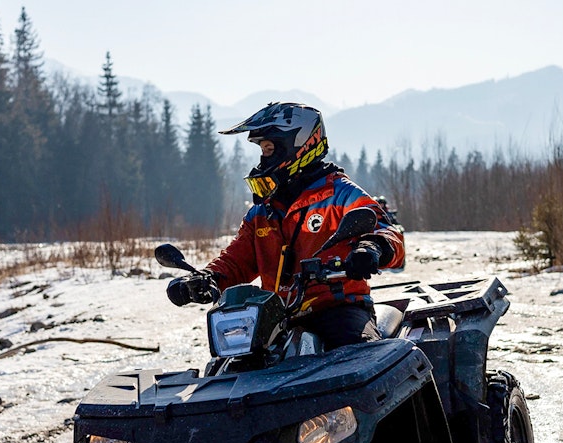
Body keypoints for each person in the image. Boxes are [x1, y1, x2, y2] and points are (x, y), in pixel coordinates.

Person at [166, 102, 405, 350]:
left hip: (338, 309)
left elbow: (385, 230)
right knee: (230, 364)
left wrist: (371, 248)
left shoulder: (340, 194)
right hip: (275, 317)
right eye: (263, 150)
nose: (263, 157)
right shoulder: (262, 212)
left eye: (270, 149)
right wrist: (206, 279)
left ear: (298, 146)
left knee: (358, 357)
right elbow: (236, 261)